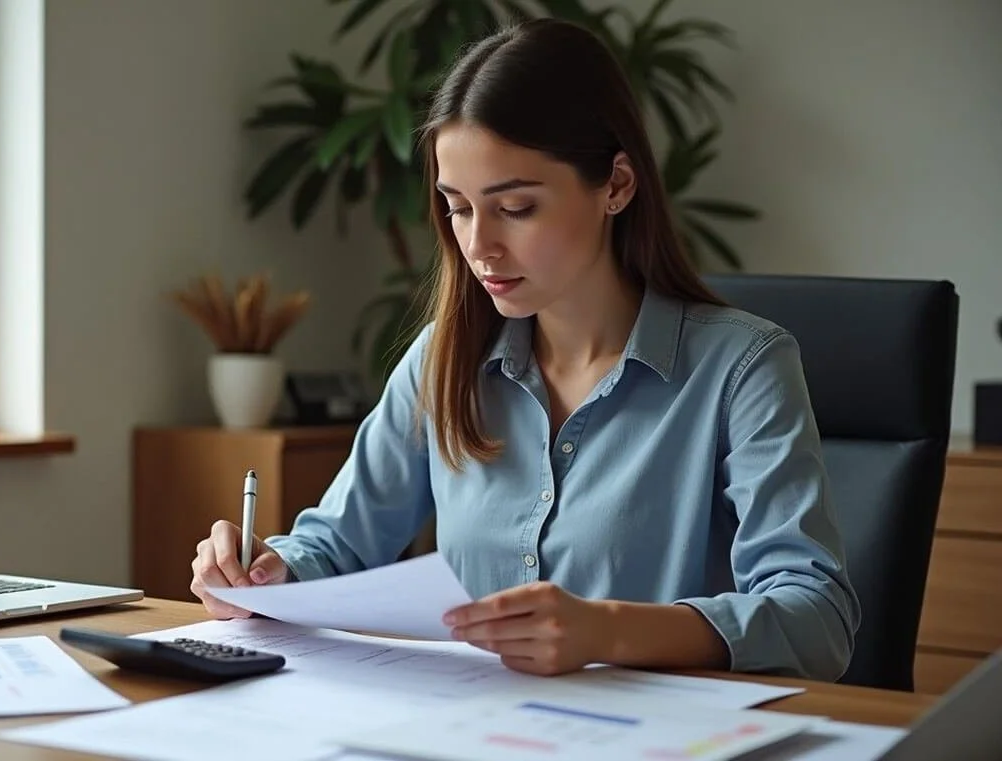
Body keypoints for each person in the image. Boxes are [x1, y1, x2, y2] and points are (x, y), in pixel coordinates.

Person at [190, 17, 860, 682]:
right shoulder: (442, 358)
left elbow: (816, 616)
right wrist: (265, 571)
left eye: (515, 208)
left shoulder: (742, 369)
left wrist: (608, 629)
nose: (478, 245)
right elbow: (335, 543)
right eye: (457, 206)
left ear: (616, 186)